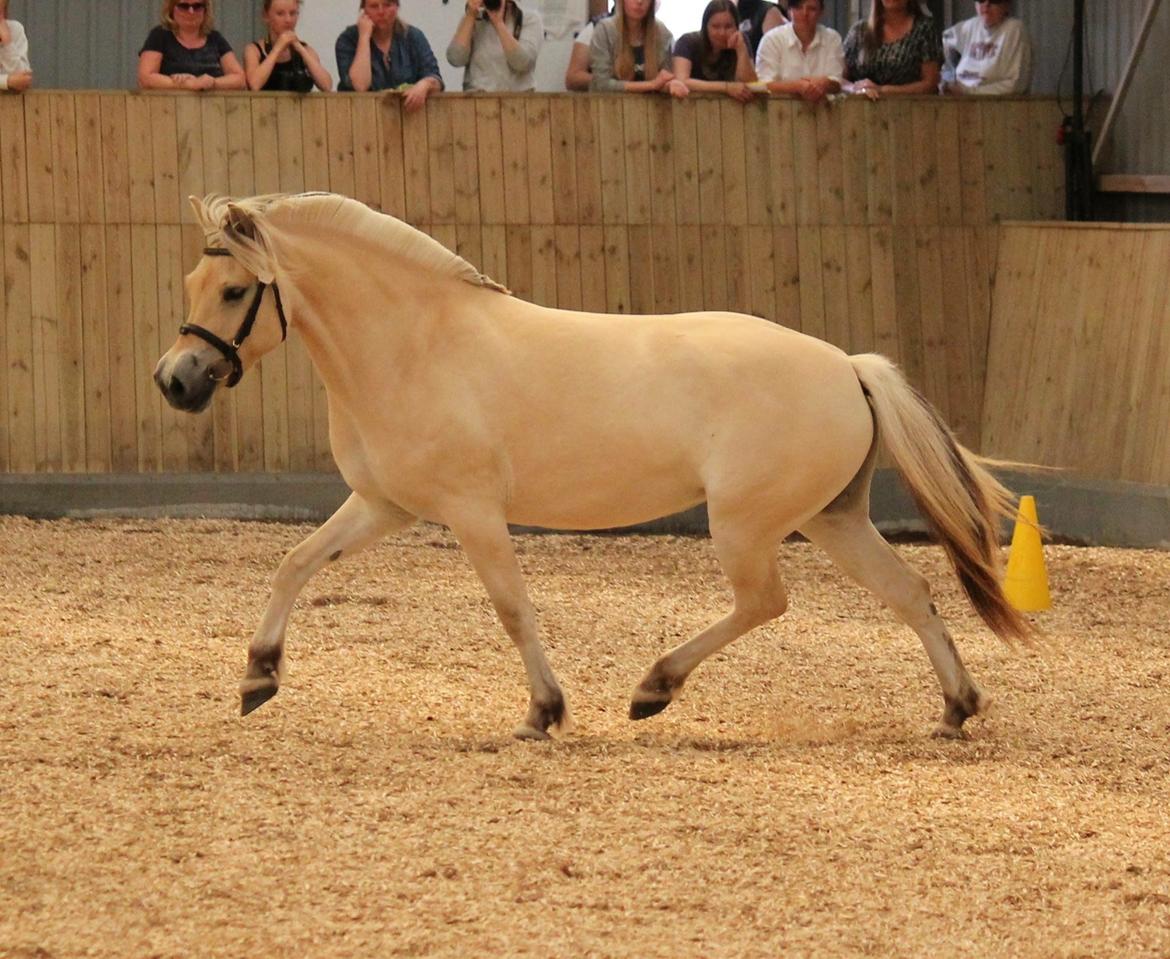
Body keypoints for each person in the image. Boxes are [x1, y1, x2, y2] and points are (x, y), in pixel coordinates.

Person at [336, 0, 443, 111]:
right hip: (362, 114)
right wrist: (364, 38)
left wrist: (424, 85)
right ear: (363, 10)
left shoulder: (413, 36)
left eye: (387, 5)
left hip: (408, 114)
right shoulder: (347, 40)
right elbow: (360, 86)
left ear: (397, 6)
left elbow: (435, 78)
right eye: (374, 6)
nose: (381, 12)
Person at [137, 0, 246, 91]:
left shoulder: (215, 38)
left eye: (197, 6)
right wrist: (186, 84)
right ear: (171, 9)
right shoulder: (160, 35)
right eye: (184, 6)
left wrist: (212, 82)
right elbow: (145, 78)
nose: (191, 11)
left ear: (205, 10)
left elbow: (240, 79)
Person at [843, 0, 941, 98]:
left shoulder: (924, 30)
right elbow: (838, 79)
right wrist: (857, 89)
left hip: (910, 109)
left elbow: (930, 84)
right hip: (859, 109)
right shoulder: (859, 32)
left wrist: (882, 90)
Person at [668, 0, 758, 102]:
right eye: (715, 26)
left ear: (736, 27)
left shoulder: (741, 41)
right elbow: (681, 80)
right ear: (705, 27)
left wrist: (741, 51)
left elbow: (750, 84)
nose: (722, 33)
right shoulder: (687, 42)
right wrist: (726, 88)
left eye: (728, 26)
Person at [755, 0, 844, 103]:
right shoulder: (771, 40)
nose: (805, 13)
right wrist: (798, 86)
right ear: (789, 11)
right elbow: (763, 84)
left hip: (825, 112)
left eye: (812, 9)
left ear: (821, 13)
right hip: (778, 112)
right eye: (798, 8)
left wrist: (825, 83)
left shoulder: (832, 39)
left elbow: (837, 82)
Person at [447, 0, 543, 93]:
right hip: (477, 100)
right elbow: (455, 59)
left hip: (518, 100)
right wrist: (470, 16)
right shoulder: (473, 18)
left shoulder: (528, 18)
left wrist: (498, 23)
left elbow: (523, 63)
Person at [941, 0, 1031, 95]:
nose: (986, 5)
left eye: (993, 1)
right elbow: (944, 41)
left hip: (997, 104)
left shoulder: (1015, 29)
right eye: (981, 0)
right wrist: (948, 75)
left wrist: (968, 92)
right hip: (958, 101)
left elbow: (1016, 85)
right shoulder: (970, 26)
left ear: (1007, 5)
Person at [245, 0, 333, 92]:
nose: (288, 20)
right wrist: (277, 49)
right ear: (266, 16)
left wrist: (300, 49)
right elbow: (254, 85)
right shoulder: (254, 50)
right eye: (280, 14)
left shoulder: (306, 50)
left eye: (293, 13)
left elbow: (327, 86)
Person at [589, 0, 673, 94]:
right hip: (611, 104)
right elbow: (602, 84)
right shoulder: (605, 30)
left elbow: (666, 77)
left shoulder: (662, 33)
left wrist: (671, 85)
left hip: (652, 105)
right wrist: (651, 85)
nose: (639, 2)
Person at [0, 0, 32, 93]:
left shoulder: (15, 30)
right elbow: (14, 81)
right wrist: (7, 81)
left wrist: (7, 42)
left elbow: (23, 79)